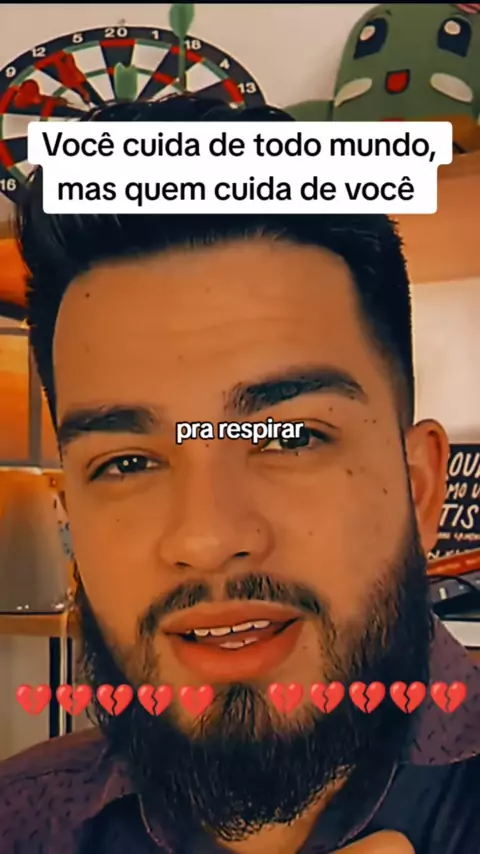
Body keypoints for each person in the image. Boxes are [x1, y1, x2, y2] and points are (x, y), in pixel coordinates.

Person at [0, 96, 478, 854]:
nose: (207, 537)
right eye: (127, 462)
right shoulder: (21, 820)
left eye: (288, 439)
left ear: (420, 487)